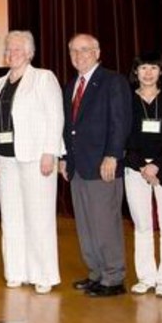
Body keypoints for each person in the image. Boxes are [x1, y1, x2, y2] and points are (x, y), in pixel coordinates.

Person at [0, 31, 64, 294]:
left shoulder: (44, 78)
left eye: (18, 49)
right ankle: (16, 271)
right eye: (9, 49)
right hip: (6, 159)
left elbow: (56, 117)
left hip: (36, 158)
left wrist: (50, 152)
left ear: (30, 53)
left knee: (39, 217)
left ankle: (43, 274)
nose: (12, 53)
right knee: (10, 217)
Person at [59, 33, 131, 297]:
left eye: (85, 50)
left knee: (105, 223)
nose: (79, 56)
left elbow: (120, 122)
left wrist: (113, 155)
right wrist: (65, 158)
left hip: (103, 165)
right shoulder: (70, 87)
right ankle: (96, 273)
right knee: (86, 224)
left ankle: (114, 277)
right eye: (73, 51)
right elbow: (68, 128)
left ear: (98, 53)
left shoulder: (113, 81)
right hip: (78, 166)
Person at [124, 51, 162, 298]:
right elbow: (124, 139)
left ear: (161, 72)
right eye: (143, 68)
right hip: (135, 168)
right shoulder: (127, 100)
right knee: (142, 225)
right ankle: (146, 277)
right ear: (136, 72)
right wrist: (142, 166)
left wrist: (157, 166)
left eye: (153, 68)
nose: (148, 73)